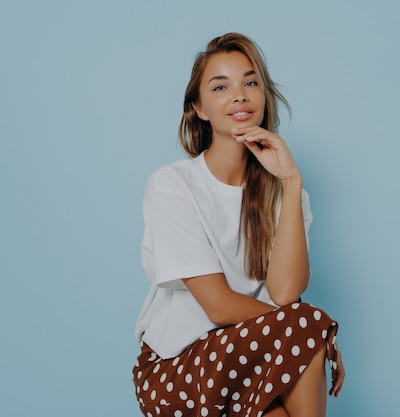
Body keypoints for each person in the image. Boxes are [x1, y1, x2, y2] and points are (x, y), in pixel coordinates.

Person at [132, 32, 345, 417]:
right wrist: (312, 331)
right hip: (176, 369)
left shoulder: (285, 192)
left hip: (257, 357)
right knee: (306, 326)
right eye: (220, 86)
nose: (240, 95)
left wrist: (291, 182)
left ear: (264, 96)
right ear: (199, 107)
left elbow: (284, 292)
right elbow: (218, 306)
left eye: (250, 82)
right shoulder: (172, 186)